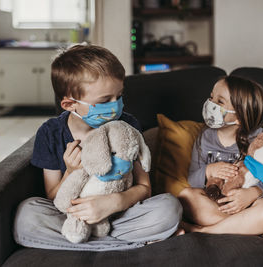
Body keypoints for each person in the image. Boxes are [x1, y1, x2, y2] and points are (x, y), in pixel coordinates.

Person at [13, 44, 182, 251]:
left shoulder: (127, 126)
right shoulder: (50, 133)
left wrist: (114, 202)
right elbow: (52, 197)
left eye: (118, 96)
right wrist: (70, 172)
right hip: (73, 219)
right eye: (105, 100)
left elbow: (145, 188)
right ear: (69, 104)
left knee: (169, 208)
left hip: (121, 216)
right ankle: (130, 244)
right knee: (27, 215)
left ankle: (83, 244)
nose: (116, 106)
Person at [178, 75, 263, 243]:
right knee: (185, 196)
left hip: (250, 205)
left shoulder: (259, 139)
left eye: (220, 102)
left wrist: (252, 193)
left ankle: (203, 230)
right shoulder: (204, 138)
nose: (210, 103)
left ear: (239, 117)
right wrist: (208, 170)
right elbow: (192, 180)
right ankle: (251, 229)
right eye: (211, 97)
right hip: (217, 204)